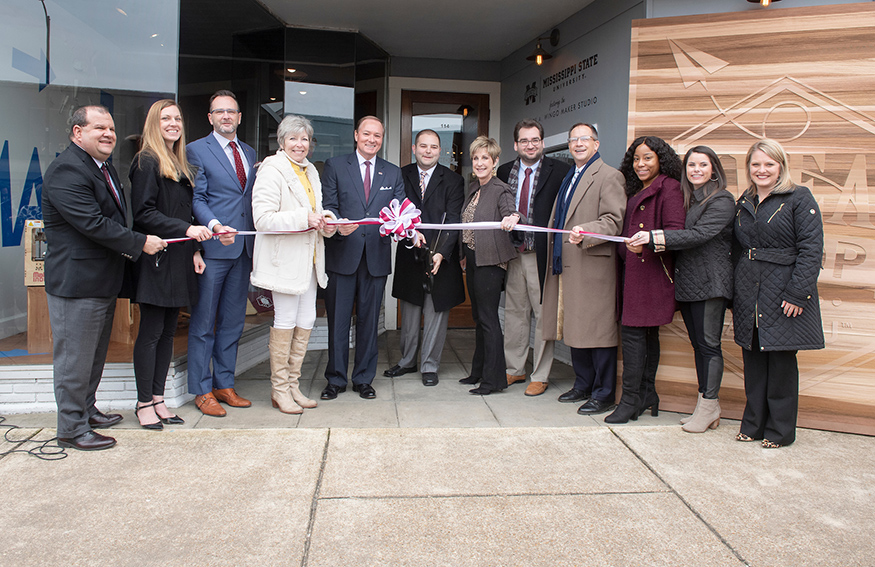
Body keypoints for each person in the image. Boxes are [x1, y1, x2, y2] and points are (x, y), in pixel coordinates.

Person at [42, 105, 165, 450]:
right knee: (74, 360)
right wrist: (141, 242)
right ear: (77, 133)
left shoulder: (102, 166)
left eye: (111, 128)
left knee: (93, 356)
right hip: (76, 284)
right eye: (99, 128)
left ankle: (86, 410)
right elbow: (93, 224)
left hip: (100, 281)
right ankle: (70, 428)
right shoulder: (67, 170)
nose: (109, 134)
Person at [628, 146, 734, 432]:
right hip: (688, 284)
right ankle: (706, 406)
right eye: (691, 165)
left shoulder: (722, 199)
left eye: (703, 164)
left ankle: (709, 405)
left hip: (712, 284)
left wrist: (652, 237)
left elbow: (699, 235)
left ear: (714, 169)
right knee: (699, 346)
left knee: (709, 347)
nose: (696, 170)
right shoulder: (690, 199)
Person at [732, 139, 824, 448]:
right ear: (749, 168)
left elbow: (811, 251)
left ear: (780, 166)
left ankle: (780, 432)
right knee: (754, 361)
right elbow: (737, 249)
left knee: (781, 364)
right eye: (756, 164)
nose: (762, 170)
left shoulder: (799, 197)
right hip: (749, 291)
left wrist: (798, 294)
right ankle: (754, 425)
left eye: (769, 164)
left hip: (784, 291)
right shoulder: (744, 200)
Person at [129, 100, 213, 430]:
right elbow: (144, 214)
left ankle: (159, 398)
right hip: (156, 260)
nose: (173, 123)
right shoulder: (146, 160)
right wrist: (188, 231)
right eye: (165, 118)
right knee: (150, 334)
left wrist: (193, 249)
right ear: (154, 123)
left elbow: (183, 212)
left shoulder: (177, 163)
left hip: (178, 257)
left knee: (166, 334)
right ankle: (143, 402)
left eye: (177, 118)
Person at [250, 115, 337, 414]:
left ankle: (293, 385)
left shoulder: (310, 170)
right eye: (293, 139)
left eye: (304, 139)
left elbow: (317, 211)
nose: (299, 144)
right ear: (282, 141)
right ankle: (279, 390)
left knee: (307, 320)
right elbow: (262, 219)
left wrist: (328, 223)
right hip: (284, 261)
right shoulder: (272, 170)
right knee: (285, 321)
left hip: (310, 260)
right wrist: (304, 219)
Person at [541, 123, 626, 416]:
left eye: (584, 139)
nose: (578, 144)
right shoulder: (570, 176)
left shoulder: (609, 176)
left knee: (597, 331)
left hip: (592, 265)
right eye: (573, 139)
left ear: (596, 144)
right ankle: (583, 384)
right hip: (569, 264)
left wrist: (585, 230)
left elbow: (614, 220)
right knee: (576, 327)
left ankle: (603, 393)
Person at [321, 116, 406, 400]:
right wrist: (335, 223)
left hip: (376, 258)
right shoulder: (335, 165)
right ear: (356, 135)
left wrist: (404, 227)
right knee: (338, 322)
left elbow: (400, 210)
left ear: (382, 139)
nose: (372, 139)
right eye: (367, 134)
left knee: (370, 323)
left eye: (378, 135)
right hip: (342, 254)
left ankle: (363, 379)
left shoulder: (392, 173)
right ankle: (335, 379)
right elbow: (328, 205)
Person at [187, 90, 257, 417]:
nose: (226, 116)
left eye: (232, 111)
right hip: (215, 248)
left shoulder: (249, 152)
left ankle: (224, 383)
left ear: (239, 117)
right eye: (219, 112)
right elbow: (197, 199)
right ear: (210, 117)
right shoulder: (196, 151)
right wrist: (214, 226)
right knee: (204, 323)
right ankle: (202, 390)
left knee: (232, 322)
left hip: (243, 250)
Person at [606, 136, 685, 423]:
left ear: (660, 159)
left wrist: (649, 242)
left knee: (634, 338)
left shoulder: (670, 188)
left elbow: (676, 233)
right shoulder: (636, 188)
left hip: (651, 275)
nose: (641, 164)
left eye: (648, 158)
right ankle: (647, 395)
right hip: (633, 274)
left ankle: (629, 401)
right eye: (637, 159)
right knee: (645, 337)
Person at [496, 119, 571, 396]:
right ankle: (514, 369)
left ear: (543, 142)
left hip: (542, 254)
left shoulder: (560, 170)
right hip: (513, 253)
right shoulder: (504, 171)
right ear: (516, 145)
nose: (530, 145)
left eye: (535, 140)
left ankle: (540, 374)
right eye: (524, 140)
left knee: (543, 316)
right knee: (515, 314)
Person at [385, 129, 465, 386]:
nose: (428, 151)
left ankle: (429, 366)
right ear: (414, 148)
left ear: (440, 151)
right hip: (410, 252)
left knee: (435, 313)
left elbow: (454, 220)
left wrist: (441, 252)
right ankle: (407, 361)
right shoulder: (401, 174)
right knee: (409, 311)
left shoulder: (453, 180)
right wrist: (410, 232)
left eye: (433, 147)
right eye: (423, 146)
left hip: (440, 254)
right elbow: (395, 210)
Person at [458, 136, 523, 395]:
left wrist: (513, 217)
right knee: (479, 318)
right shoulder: (474, 187)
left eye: (485, 158)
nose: (480, 162)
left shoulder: (500, 188)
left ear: (495, 161)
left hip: (491, 262)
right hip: (474, 259)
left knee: (488, 319)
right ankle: (478, 371)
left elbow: (512, 211)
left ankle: (493, 381)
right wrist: (464, 254)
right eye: (476, 158)